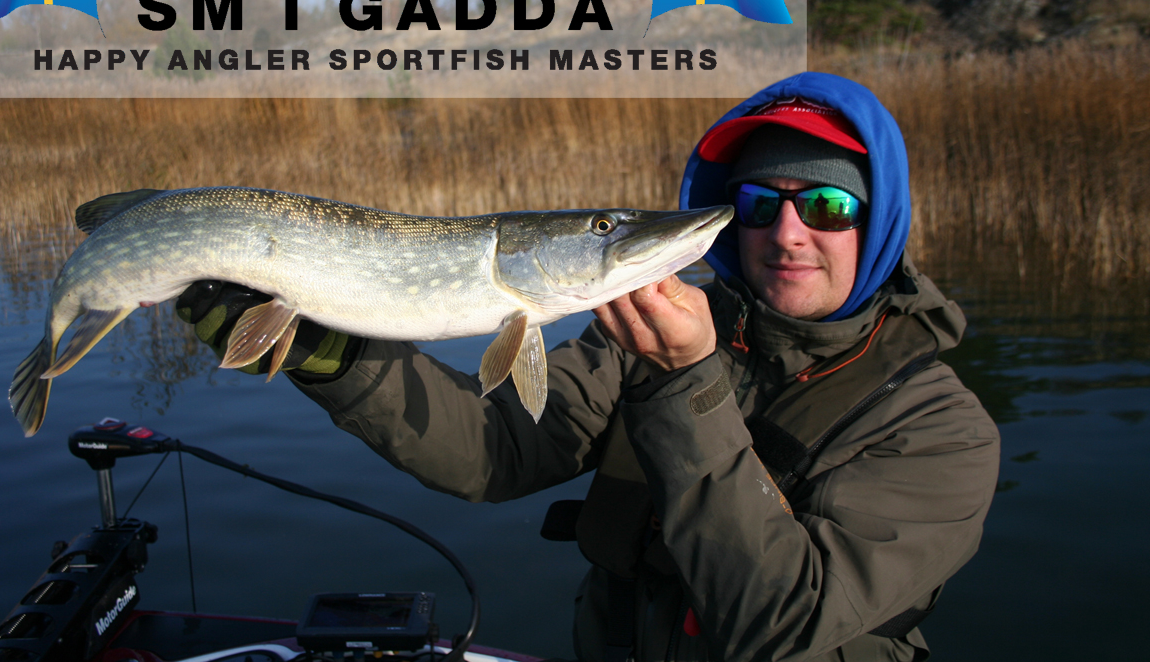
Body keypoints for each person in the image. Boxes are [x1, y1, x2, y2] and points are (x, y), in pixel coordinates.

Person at [177, 72, 1000, 662]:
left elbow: (782, 625)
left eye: (826, 206)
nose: (787, 234)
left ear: (879, 221)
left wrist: (687, 382)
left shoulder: (939, 430)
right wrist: (342, 357)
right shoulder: (645, 330)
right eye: (758, 204)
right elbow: (495, 453)